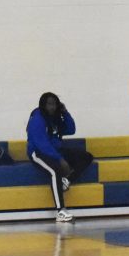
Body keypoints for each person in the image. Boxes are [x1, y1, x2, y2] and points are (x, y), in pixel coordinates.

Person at [26, 92, 94, 223]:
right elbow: (42, 144)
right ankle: (60, 211)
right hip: (38, 153)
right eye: (49, 104)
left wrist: (65, 113)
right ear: (43, 105)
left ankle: (66, 181)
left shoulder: (56, 116)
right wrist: (60, 159)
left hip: (55, 150)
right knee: (54, 171)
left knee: (86, 157)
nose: (52, 107)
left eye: (54, 104)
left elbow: (71, 129)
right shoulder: (37, 119)